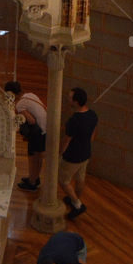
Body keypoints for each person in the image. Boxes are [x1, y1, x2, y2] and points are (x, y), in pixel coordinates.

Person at [59, 87, 98, 220]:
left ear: (76, 102)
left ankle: (77, 204)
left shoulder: (73, 120)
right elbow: (93, 134)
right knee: (80, 179)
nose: (67, 98)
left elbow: (66, 140)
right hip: (86, 153)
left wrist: (60, 152)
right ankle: (74, 198)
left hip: (72, 156)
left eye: (70, 97)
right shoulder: (93, 114)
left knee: (64, 180)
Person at [5, 81, 47, 190]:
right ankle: (35, 178)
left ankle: (32, 183)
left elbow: (31, 121)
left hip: (37, 133)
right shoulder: (30, 95)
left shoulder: (20, 105)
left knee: (33, 157)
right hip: (45, 130)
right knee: (38, 157)